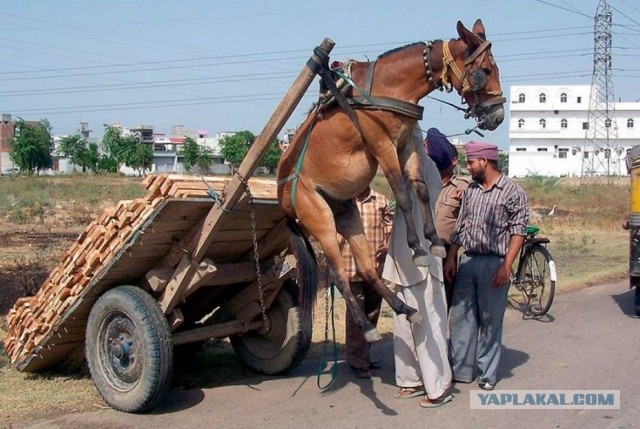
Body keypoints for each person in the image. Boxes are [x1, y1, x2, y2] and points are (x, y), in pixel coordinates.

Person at [444, 141, 529, 391]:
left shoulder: (513, 192)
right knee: (460, 319)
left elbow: (518, 232)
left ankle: (486, 374)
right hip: (468, 261)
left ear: (485, 161)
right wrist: (452, 257)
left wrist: (506, 265)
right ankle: (461, 370)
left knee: (491, 321)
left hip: (495, 263)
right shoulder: (471, 190)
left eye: (471, 162)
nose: (468, 167)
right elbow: (461, 226)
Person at [381, 128, 453, 408]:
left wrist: (405, 125)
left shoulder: (425, 165)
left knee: (428, 324)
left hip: (422, 261)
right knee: (402, 325)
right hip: (403, 260)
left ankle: (439, 386)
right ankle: (410, 380)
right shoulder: (413, 167)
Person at [339, 186, 393, 379]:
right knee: (357, 318)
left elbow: (389, 224)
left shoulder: (380, 200)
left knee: (372, 313)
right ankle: (357, 361)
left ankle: (365, 356)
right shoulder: (342, 200)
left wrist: (388, 243)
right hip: (350, 267)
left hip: (374, 269)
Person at [424, 128, 469, 309]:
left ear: (454, 161)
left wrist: (451, 257)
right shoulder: (425, 184)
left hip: (445, 253)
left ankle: (441, 337)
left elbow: (461, 226)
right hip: (423, 250)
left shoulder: (462, 187)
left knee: (442, 303)